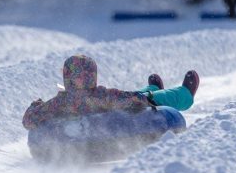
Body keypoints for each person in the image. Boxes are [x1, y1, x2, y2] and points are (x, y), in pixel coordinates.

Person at [22, 54, 199, 130]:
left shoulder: (59, 102)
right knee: (149, 98)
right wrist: (144, 100)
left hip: (95, 120)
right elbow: (130, 100)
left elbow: (29, 120)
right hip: (116, 118)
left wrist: (36, 105)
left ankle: (152, 87)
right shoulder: (100, 95)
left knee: (137, 95)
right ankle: (185, 94)